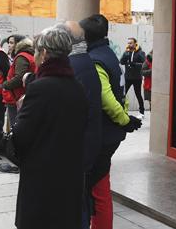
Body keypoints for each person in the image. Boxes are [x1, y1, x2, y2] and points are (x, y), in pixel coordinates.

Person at [12, 25, 88, 229]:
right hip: (70, 176)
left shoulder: (39, 88)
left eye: (36, 51)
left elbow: (20, 138)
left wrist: (20, 111)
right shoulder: (77, 87)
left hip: (42, 179)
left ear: (44, 54)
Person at [80, 14, 142, 229]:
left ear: (85, 36)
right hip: (111, 132)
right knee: (101, 185)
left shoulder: (95, 59)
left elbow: (106, 98)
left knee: (98, 190)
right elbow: (121, 94)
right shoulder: (109, 54)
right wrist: (125, 119)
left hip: (103, 133)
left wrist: (125, 120)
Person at [65, 21, 103, 228]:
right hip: (82, 145)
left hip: (79, 148)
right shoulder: (82, 62)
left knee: (78, 201)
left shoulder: (77, 66)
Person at [2, 37, 35, 126]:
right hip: (21, 96)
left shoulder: (22, 57)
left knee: (16, 126)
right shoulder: (29, 55)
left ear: (18, 44)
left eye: (12, 43)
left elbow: (19, 78)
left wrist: (5, 84)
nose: (9, 45)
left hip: (16, 97)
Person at [120, 37, 146, 119]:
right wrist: (125, 55)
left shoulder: (140, 52)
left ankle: (142, 112)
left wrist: (135, 64)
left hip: (137, 77)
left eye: (131, 43)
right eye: (128, 43)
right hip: (127, 77)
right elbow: (121, 62)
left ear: (135, 43)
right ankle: (121, 110)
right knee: (122, 94)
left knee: (138, 94)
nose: (129, 44)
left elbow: (143, 64)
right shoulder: (126, 52)